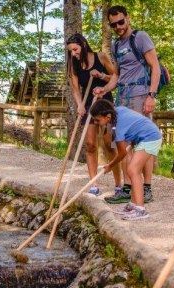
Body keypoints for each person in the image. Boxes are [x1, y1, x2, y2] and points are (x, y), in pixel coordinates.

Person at [107, 5, 159, 204]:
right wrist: (104, 90)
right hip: (122, 97)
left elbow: (154, 67)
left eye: (121, 22)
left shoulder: (140, 37)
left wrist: (151, 96)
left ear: (127, 18)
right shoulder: (115, 45)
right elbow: (116, 76)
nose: (118, 27)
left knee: (143, 142)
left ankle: (146, 188)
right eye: (114, 25)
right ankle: (128, 188)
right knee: (123, 142)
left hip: (140, 94)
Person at [65, 33, 121, 198]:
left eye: (75, 49)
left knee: (109, 143)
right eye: (71, 52)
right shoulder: (74, 65)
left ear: (83, 44)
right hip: (89, 105)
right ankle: (94, 185)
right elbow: (75, 88)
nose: (74, 54)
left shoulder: (101, 57)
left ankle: (118, 184)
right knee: (90, 144)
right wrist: (80, 104)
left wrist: (101, 76)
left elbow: (116, 77)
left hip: (105, 104)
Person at [90, 99, 162, 221]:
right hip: (143, 138)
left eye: (98, 120)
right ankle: (133, 204)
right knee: (132, 170)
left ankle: (141, 210)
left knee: (133, 170)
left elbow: (122, 153)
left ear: (108, 117)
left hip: (150, 138)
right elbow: (135, 121)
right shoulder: (117, 111)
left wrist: (110, 165)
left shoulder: (118, 128)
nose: (96, 123)